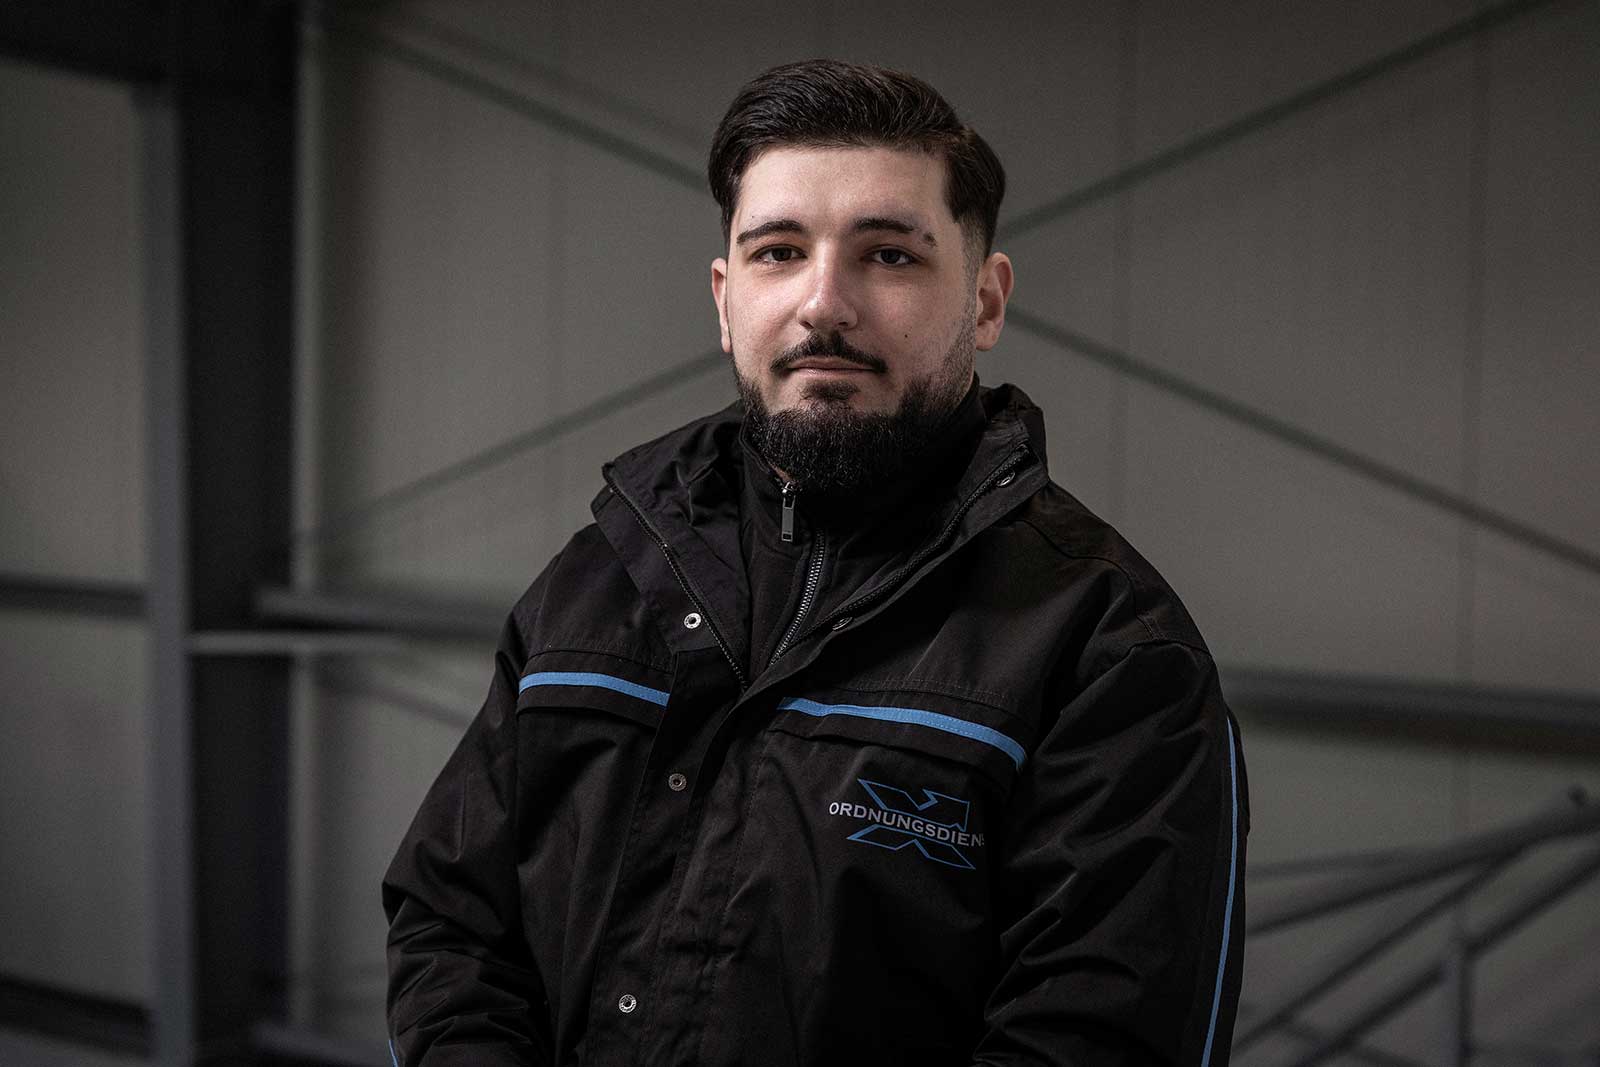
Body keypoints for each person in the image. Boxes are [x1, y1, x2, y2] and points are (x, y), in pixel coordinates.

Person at [384, 58, 1247, 1066]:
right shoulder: (599, 580)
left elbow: (1099, 1042)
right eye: (779, 252)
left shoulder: (1106, 647)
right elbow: (450, 923)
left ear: (985, 301)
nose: (823, 302)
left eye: (889, 255)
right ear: (726, 298)